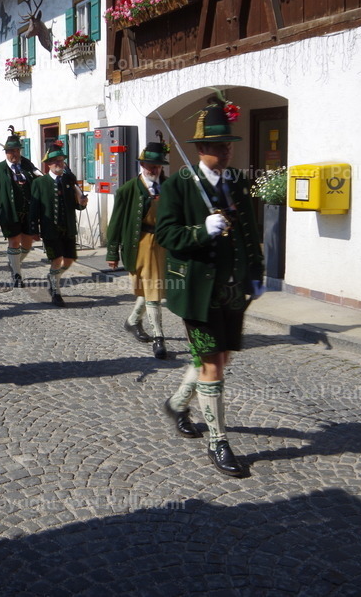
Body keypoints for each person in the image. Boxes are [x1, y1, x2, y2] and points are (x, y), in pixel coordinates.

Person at [155, 93, 265, 478]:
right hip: (197, 294)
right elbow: (167, 234)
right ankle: (219, 442)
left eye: (228, 144)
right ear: (201, 148)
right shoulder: (180, 185)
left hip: (231, 290)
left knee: (220, 359)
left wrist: (256, 271)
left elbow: (249, 231)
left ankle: (177, 403)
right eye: (218, 145)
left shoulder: (235, 182)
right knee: (213, 365)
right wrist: (201, 230)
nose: (226, 151)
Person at [106, 137, 171, 359]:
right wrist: (112, 252)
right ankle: (159, 337)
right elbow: (115, 222)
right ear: (141, 165)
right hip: (140, 243)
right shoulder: (127, 190)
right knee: (153, 289)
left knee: (154, 287)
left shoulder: (169, 185)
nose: (153, 169)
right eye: (149, 165)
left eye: (157, 166)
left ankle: (133, 321)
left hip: (163, 245)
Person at [29, 144, 88, 306]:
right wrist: (33, 229)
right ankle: (56, 291)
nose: (59, 164)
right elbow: (34, 208)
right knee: (57, 259)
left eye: (61, 161)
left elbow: (78, 205)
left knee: (69, 260)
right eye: (55, 161)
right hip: (50, 229)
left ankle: (53, 277)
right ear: (48, 164)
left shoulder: (69, 180)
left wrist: (83, 203)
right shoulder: (40, 183)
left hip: (68, 227)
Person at [0, 127, 40, 287]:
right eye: (11, 151)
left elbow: (37, 183)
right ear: (6, 152)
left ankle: (13, 262)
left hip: (27, 212)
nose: (14, 154)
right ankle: (17, 275)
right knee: (14, 241)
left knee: (28, 244)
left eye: (17, 150)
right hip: (8, 212)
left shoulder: (27, 166)